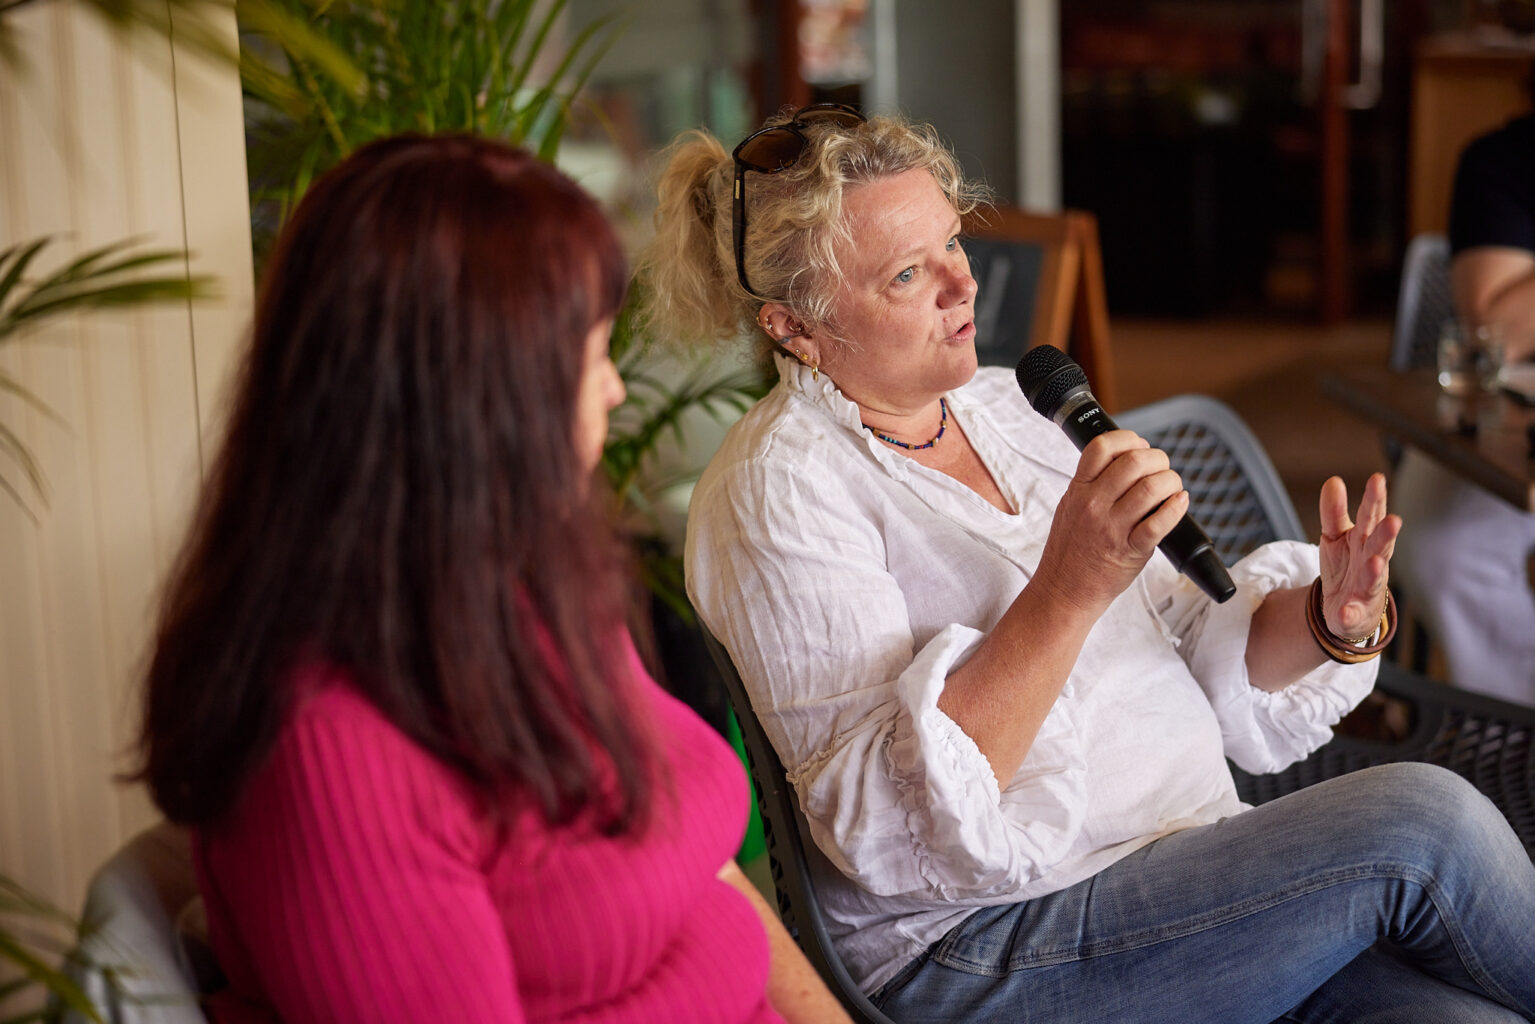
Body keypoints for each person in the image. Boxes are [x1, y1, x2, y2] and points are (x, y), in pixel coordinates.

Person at [642, 106, 1535, 1023]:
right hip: (984, 945)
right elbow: (883, 824)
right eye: (908, 274)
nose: (962, 285)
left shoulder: (1010, 408)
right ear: (793, 326)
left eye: (953, 243)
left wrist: (1322, 620)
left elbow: (1192, 640)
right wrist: (1069, 586)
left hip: (1195, 873)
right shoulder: (777, 489)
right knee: (1425, 823)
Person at [133, 134, 850, 1024]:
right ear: (479, 403)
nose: (615, 395)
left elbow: (696, 862)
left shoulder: (524, 594)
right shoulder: (328, 744)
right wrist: (719, 949)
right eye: (587, 359)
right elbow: (713, 909)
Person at [1392, 111, 1535, 703]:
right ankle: (1510, 740)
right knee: (1439, 540)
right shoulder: (1504, 157)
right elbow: (1495, 328)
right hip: (1514, 395)